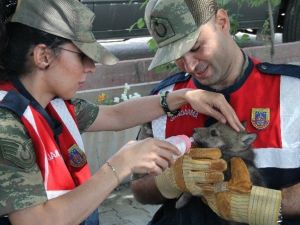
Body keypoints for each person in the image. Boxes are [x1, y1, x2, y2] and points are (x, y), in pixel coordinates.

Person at [0, 0, 244, 224]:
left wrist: (184, 96)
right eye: (83, 56)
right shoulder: (7, 124)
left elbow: (117, 115)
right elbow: (35, 221)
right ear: (43, 56)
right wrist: (119, 166)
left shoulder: (53, 104)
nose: (91, 67)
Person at [130, 0, 300, 224]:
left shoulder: (293, 90)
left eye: (195, 47)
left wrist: (271, 205)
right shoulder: (165, 99)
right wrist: (169, 181)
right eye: (177, 56)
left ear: (222, 22)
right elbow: (139, 189)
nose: (189, 65)